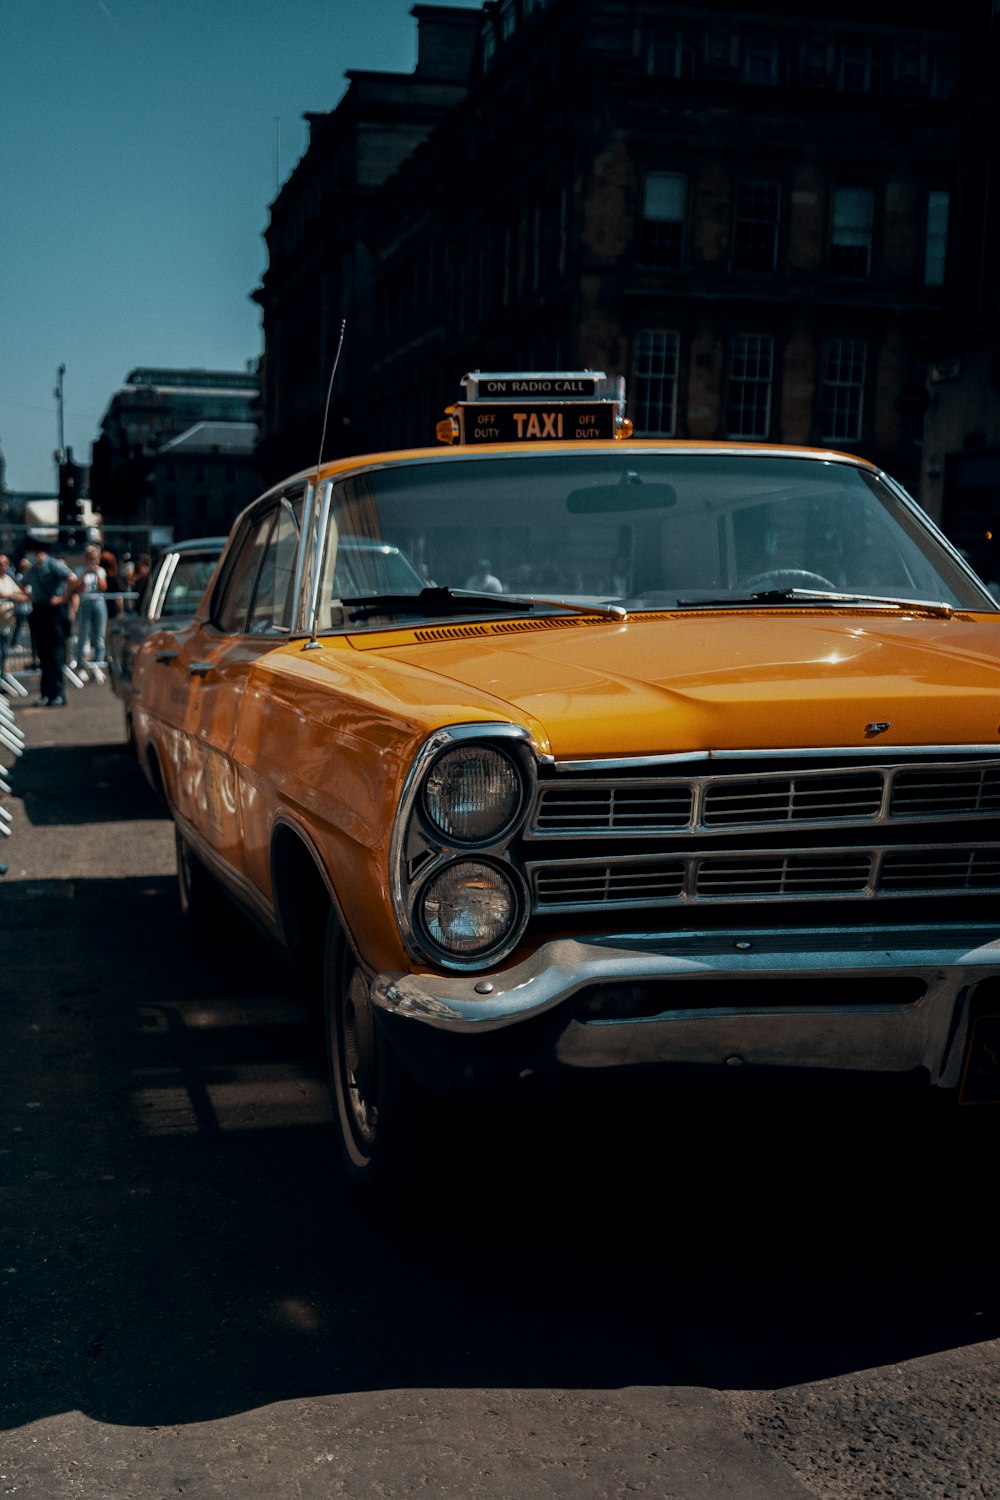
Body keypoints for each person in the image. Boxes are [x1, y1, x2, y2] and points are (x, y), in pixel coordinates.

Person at [20, 536, 73, 706]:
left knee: (55, 655)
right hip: (39, 611)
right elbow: (23, 583)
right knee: (43, 656)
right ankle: (46, 694)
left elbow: (72, 578)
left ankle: (58, 694)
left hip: (54, 613)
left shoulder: (52, 564)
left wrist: (63, 598)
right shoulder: (32, 569)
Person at [74, 544, 108, 680]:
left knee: (99, 635)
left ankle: (97, 664)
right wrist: (85, 573)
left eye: (96, 558)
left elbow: (103, 587)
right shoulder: (79, 570)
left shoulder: (101, 571)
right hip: (85, 603)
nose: (93, 561)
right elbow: (79, 589)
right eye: (91, 558)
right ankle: (81, 665)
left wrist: (97, 574)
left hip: (98, 602)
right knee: (84, 634)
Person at [0, 553, 28, 682]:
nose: (3, 567)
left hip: (5, 625)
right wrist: (11, 596)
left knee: (4, 654)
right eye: (1, 564)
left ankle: (2, 680)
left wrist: (10, 596)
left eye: (5, 564)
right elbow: (3, 595)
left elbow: (22, 595)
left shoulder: (8, 579)